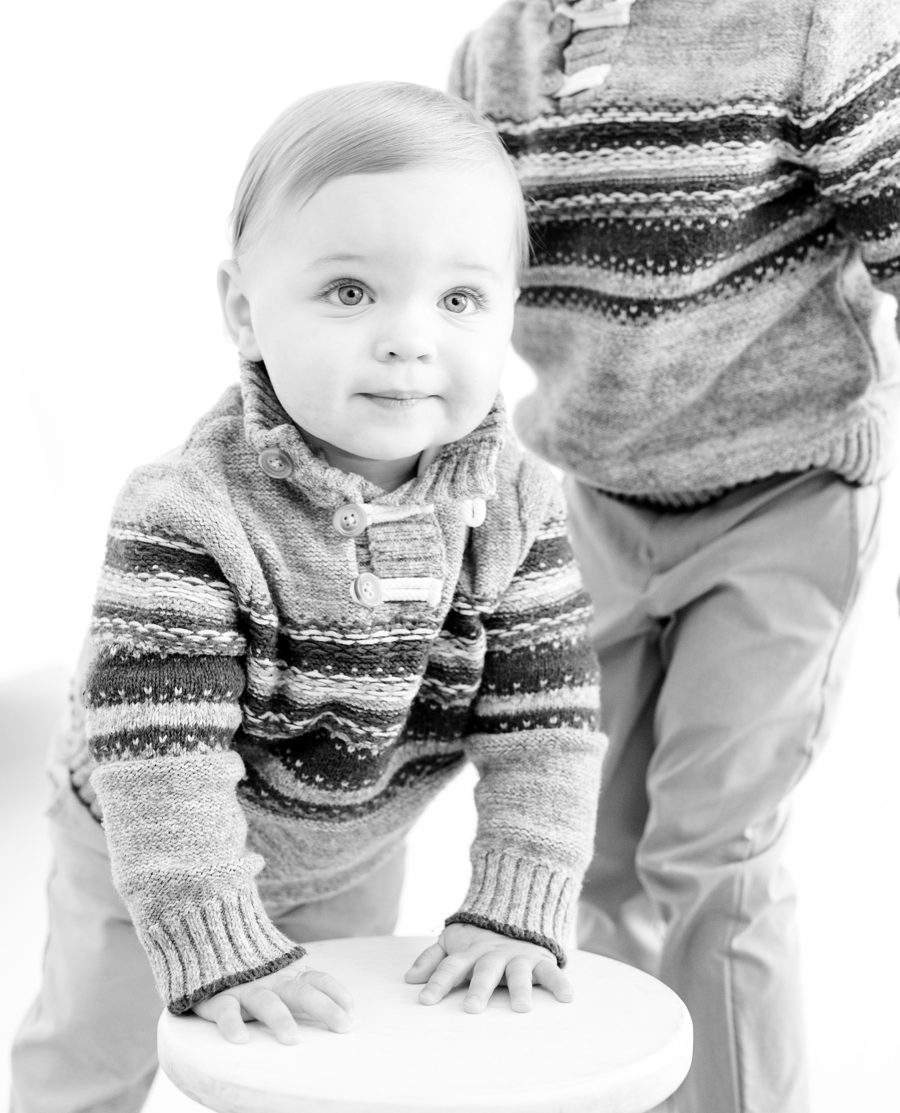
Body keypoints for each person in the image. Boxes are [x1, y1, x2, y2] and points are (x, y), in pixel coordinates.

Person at [11, 82, 605, 1113]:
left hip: (350, 845)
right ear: (245, 309)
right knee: (92, 1057)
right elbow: (164, 757)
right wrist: (214, 937)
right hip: (141, 847)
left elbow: (545, 729)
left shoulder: (516, 504)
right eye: (349, 290)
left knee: (327, 1070)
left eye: (459, 300)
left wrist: (516, 903)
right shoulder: (187, 512)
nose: (409, 338)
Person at [448, 0, 900, 1111]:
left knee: (712, 852)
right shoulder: (496, 62)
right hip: (594, 497)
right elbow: (457, 304)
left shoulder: (818, 3)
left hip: (782, 496)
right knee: (580, 844)